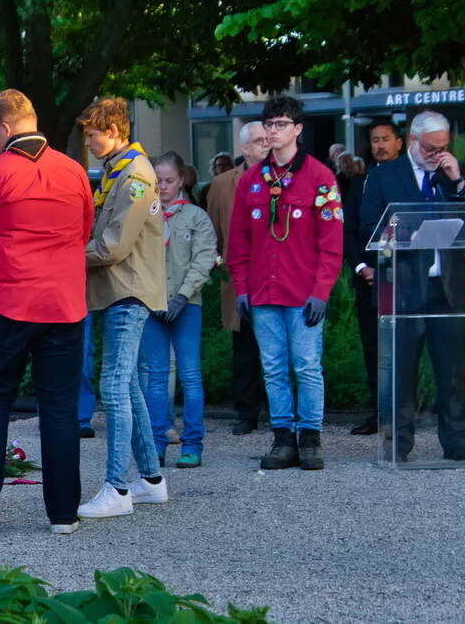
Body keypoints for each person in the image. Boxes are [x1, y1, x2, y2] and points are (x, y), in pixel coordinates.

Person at [0, 89, 93, 534]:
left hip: (8, 301)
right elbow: (83, 231)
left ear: (4, 127)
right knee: (59, 406)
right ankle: (63, 513)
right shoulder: (74, 171)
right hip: (63, 303)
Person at [227, 96, 344, 470]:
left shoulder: (320, 177)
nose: (273, 131)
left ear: (298, 129)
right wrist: (241, 288)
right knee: (274, 368)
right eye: (269, 124)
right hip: (263, 291)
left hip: (303, 292)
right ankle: (282, 439)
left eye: (281, 124)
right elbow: (238, 242)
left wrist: (321, 292)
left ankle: (310, 438)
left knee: (307, 366)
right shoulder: (251, 180)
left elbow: (332, 243)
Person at [74, 96, 168, 519]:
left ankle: (117, 488)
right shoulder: (118, 169)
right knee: (126, 385)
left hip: (128, 291)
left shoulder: (135, 174)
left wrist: (63, 255)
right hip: (119, 290)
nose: (88, 143)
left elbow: (113, 245)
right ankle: (150, 480)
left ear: (112, 132)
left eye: (93, 135)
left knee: (112, 385)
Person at [359, 110, 465, 461]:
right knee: (401, 372)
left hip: (447, 289)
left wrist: (458, 182)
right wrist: (408, 232)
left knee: (453, 371)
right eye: (431, 148)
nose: (438, 154)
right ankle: (397, 445)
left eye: (443, 147)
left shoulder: (454, 173)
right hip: (402, 287)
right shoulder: (384, 176)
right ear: (414, 141)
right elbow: (368, 226)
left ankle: (457, 442)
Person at [139, 151, 217, 468]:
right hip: (153, 307)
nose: (162, 187)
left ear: (181, 180)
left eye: (169, 180)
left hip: (187, 306)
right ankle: (157, 443)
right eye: (157, 181)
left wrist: (181, 297)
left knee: (190, 375)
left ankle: (193, 443)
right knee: (156, 376)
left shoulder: (196, 217)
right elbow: (138, 260)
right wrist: (152, 296)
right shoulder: (145, 216)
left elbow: (204, 259)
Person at [206, 121, 270, 435]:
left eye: (268, 139)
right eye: (258, 141)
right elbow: (213, 230)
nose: (266, 145)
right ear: (244, 148)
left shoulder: (283, 177)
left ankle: (280, 412)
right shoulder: (222, 184)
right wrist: (221, 261)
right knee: (244, 349)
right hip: (239, 277)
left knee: (277, 348)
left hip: (276, 277)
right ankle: (247, 412)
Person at [349, 121, 401, 436]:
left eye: (385, 139)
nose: (380, 145)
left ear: (399, 142)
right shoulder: (361, 183)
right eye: (375, 140)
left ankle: (403, 411)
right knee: (373, 347)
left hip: (405, 276)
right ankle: (379, 412)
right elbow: (349, 230)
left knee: (403, 347)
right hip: (369, 278)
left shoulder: (410, 180)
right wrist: (361, 267)